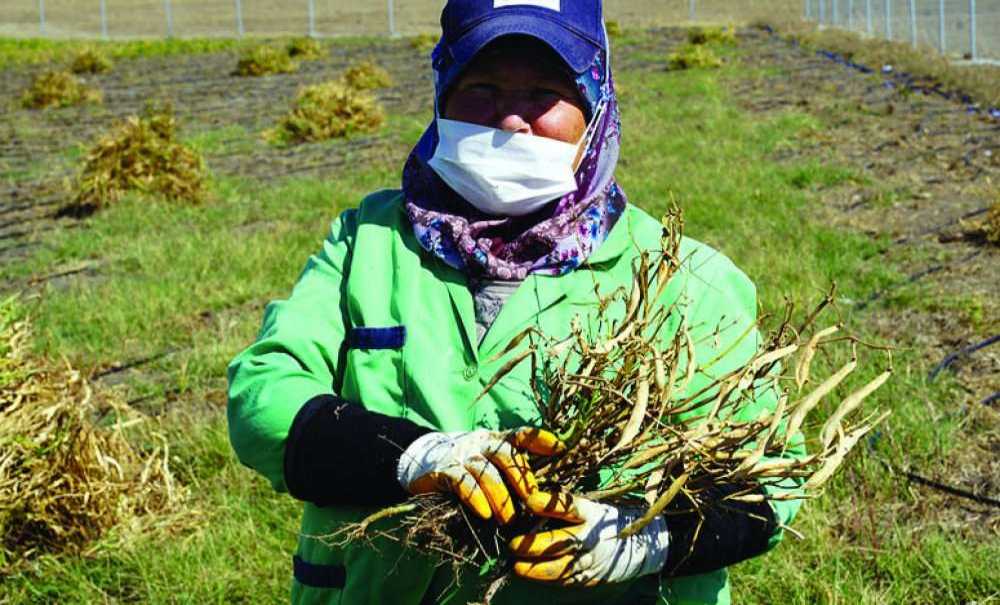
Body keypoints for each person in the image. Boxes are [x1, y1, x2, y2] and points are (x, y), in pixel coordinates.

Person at [227, 1, 806, 603]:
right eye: (480, 86)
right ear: (441, 94)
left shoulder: (685, 280)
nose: (509, 119)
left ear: (597, 104)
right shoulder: (366, 242)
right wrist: (417, 455)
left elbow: (770, 480)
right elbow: (261, 399)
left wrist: (647, 538)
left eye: (544, 92)